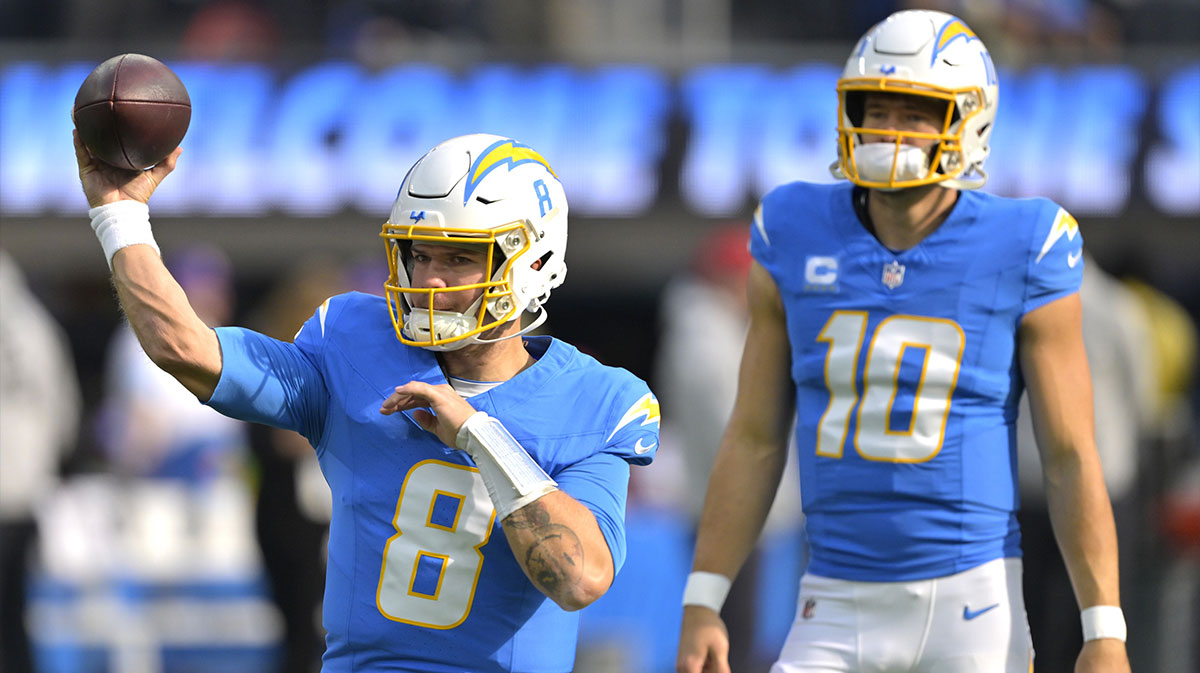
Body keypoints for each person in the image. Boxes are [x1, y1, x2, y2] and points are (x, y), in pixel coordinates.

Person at [72, 131, 659, 673]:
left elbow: (579, 577)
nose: (429, 278)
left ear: (531, 262)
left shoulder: (597, 401)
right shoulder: (354, 344)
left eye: (458, 257)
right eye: (419, 254)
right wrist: (119, 215)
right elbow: (184, 346)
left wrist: (481, 437)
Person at [676, 9, 1130, 673]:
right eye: (874, 107)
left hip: (971, 603)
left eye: (915, 111)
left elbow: (1069, 453)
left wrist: (1105, 627)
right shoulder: (793, 228)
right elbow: (754, 435)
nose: (889, 129)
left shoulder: (1025, 242)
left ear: (969, 121)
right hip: (830, 598)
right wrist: (703, 596)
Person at [0, 250, 82, 673]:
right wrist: (46, 466)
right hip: (26, 491)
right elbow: (64, 409)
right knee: (14, 614)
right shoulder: (37, 328)